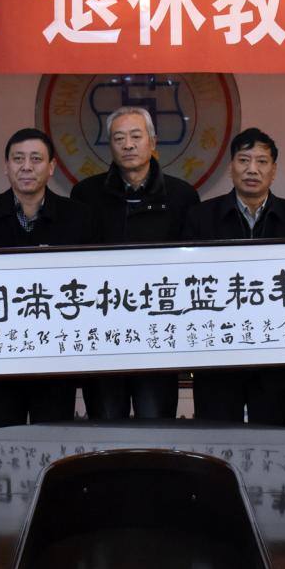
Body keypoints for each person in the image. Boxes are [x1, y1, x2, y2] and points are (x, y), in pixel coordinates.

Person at [0, 128, 97, 430]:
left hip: (56, 355)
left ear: (51, 167)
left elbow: (92, 283)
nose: (26, 167)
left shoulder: (79, 217)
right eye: (18, 158)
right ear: (6, 166)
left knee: (53, 442)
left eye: (36, 159)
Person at [70, 106, 199, 419]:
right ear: (110, 146)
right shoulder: (85, 195)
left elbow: (192, 269)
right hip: (102, 333)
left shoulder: (182, 196)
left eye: (136, 136)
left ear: (152, 142)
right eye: (119, 138)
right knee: (105, 425)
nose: (128, 145)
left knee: (156, 427)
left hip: (159, 334)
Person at [183, 128, 285, 426]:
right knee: (216, 442)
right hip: (217, 360)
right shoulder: (200, 218)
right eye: (244, 160)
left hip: (274, 359)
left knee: (271, 443)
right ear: (231, 166)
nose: (252, 169)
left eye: (262, 161)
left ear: (274, 170)